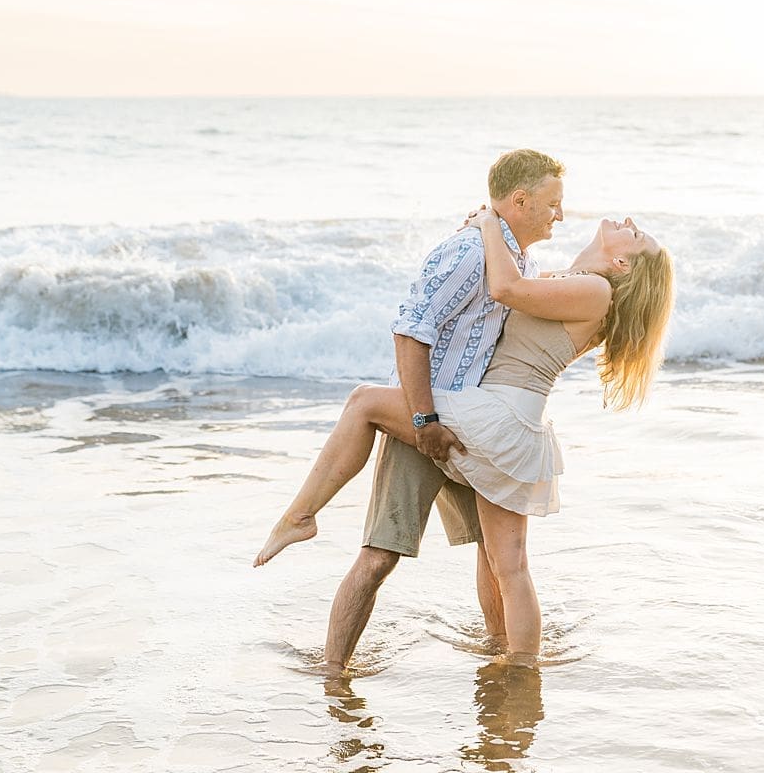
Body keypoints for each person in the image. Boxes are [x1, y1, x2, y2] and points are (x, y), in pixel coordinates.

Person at [256, 201, 675, 666]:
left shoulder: (596, 290)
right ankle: (518, 669)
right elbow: (505, 283)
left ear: (621, 264)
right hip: (511, 424)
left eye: (637, 237)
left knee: (363, 402)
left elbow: (504, 287)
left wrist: (489, 224)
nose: (631, 224)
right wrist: (491, 234)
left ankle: (302, 514)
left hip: (496, 415)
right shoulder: (572, 282)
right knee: (507, 565)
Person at [255, 149, 566, 675]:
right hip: (427, 422)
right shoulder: (470, 251)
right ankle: (333, 670)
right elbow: (410, 329)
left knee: (494, 554)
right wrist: (423, 421)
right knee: (381, 556)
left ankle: (500, 659)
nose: (560, 214)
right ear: (520, 200)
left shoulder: (516, 261)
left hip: (476, 426)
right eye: (554, 203)